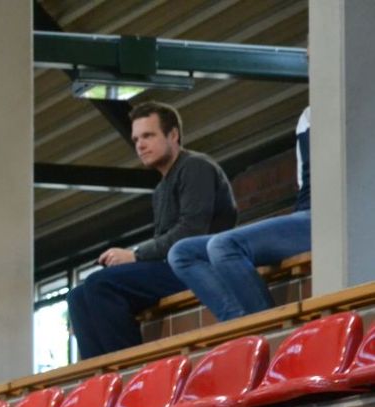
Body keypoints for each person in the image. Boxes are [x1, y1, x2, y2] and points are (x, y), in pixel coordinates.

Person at [66, 101, 238, 359]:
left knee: (100, 284)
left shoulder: (196, 167)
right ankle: (101, 376)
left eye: (148, 135)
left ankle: (132, 370)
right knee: (77, 297)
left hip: (198, 266)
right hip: (171, 267)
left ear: (173, 135)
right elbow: (166, 241)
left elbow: (191, 233)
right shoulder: (160, 190)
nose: (140, 145)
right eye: (136, 139)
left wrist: (135, 255)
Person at [167, 106, 311, 321]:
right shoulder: (307, 116)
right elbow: (304, 182)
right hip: (305, 213)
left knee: (223, 246)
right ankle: (242, 324)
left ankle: (269, 326)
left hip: (329, 216)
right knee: (182, 253)